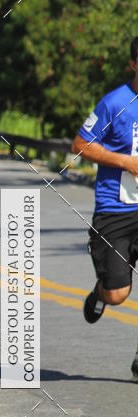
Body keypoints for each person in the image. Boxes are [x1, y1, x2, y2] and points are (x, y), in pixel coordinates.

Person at [72, 35, 138, 378]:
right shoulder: (115, 103)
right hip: (116, 211)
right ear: (133, 64)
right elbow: (81, 144)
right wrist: (126, 162)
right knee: (118, 293)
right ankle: (100, 293)